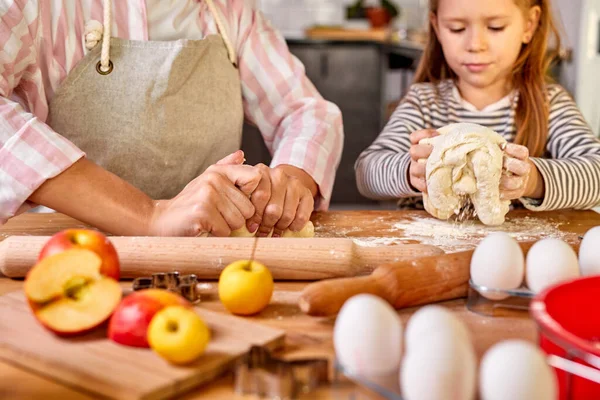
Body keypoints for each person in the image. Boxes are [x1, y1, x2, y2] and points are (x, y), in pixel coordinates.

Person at [0, 0, 343, 237]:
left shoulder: (230, 12)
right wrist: (150, 215)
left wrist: (289, 180)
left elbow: (306, 111)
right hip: (76, 255)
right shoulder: (40, 8)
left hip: (210, 253)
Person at [355, 0, 600, 212]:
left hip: (519, 254)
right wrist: (410, 173)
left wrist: (533, 180)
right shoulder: (423, 102)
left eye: (495, 27)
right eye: (457, 28)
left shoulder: (550, 104)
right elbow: (366, 172)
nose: (475, 44)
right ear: (437, 28)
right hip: (430, 252)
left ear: (529, 25)